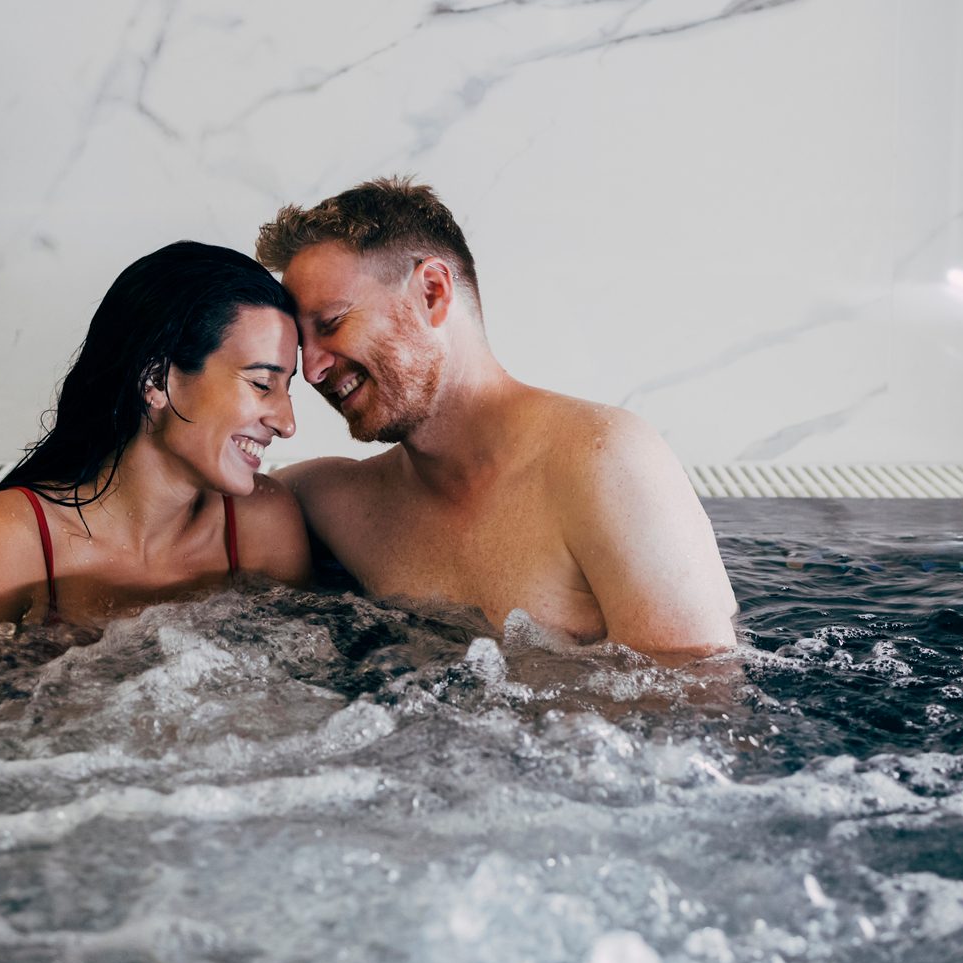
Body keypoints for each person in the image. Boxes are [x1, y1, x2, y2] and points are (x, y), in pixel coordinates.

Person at [255, 178, 737, 660]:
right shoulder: (338, 504)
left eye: (332, 324)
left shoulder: (606, 463)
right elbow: (193, 508)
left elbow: (701, 702)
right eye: (301, 345)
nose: (312, 368)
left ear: (432, 292)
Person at [0, 242, 310, 628]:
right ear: (156, 380)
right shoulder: (9, 540)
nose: (286, 423)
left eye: (286, 387)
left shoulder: (263, 525)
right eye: (261, 383)